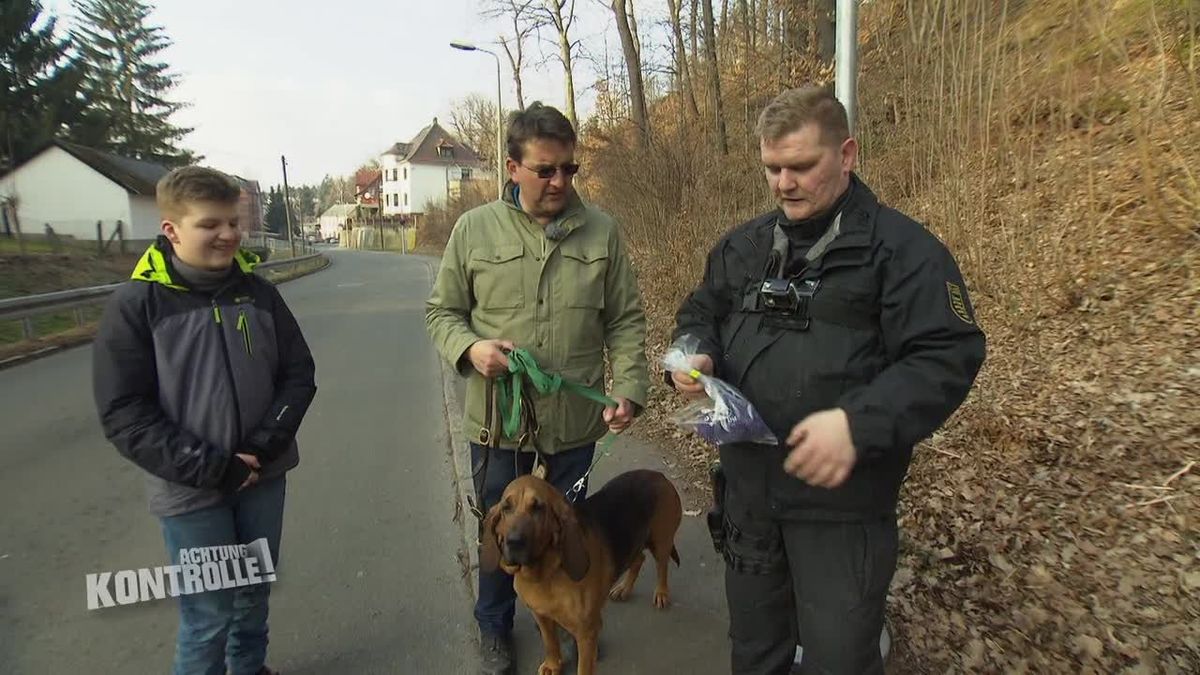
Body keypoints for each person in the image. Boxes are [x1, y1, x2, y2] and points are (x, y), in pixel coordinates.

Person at [669, 86, 986, 674]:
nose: (784, 183)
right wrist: (693, 357)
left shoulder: (905, 253)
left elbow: (947, 354)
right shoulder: (741, 247)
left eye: (801, 166)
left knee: (839, 659)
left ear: (847, 155)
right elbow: (698, 316)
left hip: (843, 511)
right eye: (772, 168)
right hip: (748, 498)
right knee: (755, 650)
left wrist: (856, 424)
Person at [426, 101, 649, 675]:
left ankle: (576, 619)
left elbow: (624, 320)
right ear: (512, 167)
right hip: (498, 425)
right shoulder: (473, 230)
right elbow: (443, 313)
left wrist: (628, 386)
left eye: (569, 169)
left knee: (571, 532)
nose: (560, 181)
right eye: (546, 169)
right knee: (503, 532)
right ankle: (496, 627)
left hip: (575, 422)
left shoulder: (603, 231)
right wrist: (471, 349)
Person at [93, 166, 317, 675]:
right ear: (171, 229)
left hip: (262, 477)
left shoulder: (258, 294)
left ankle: (249, 668)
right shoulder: (136, 306)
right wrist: (217, 468)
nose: (229, 235)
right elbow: (125, 415)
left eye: (233, 223)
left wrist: (262, 447)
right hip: (190, 491)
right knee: (209, 614)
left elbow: (298, 374)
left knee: (253, 594)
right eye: (210, 224)